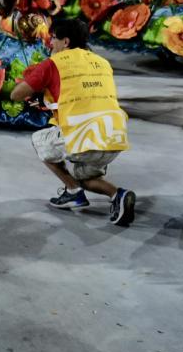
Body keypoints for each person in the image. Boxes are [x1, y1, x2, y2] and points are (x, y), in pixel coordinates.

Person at [10, 16, 135, 226]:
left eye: (53, 38)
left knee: (40, 140)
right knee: (84, 176)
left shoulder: (54, 63)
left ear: (65, 42)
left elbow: (16, 94)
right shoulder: (102, 62)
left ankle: (73, 191)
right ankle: (118, 195)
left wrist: (38, 85)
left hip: (84, 137)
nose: (51, 43)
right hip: (115, 137)